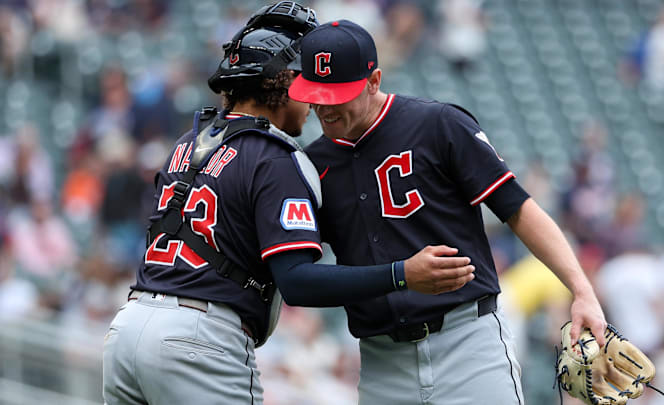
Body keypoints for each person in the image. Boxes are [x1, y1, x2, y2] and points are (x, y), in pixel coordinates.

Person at [101, 4, 475, 405]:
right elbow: (297, 281)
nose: (314, 98)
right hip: (198, 339)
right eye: (305, 81)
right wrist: (401, 274)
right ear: (281, 85)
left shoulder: (187, 143)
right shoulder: (274, 155)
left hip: (127, 330)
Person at [288, 19, 608, 404]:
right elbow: (297, 271)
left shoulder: (438, 124)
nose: (325, 106)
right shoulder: (311, 164)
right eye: (317, 93)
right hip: (382, 360)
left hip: (468, 342)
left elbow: (518, 208)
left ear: (374, 81)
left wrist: (581, 290)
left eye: (339, 94)